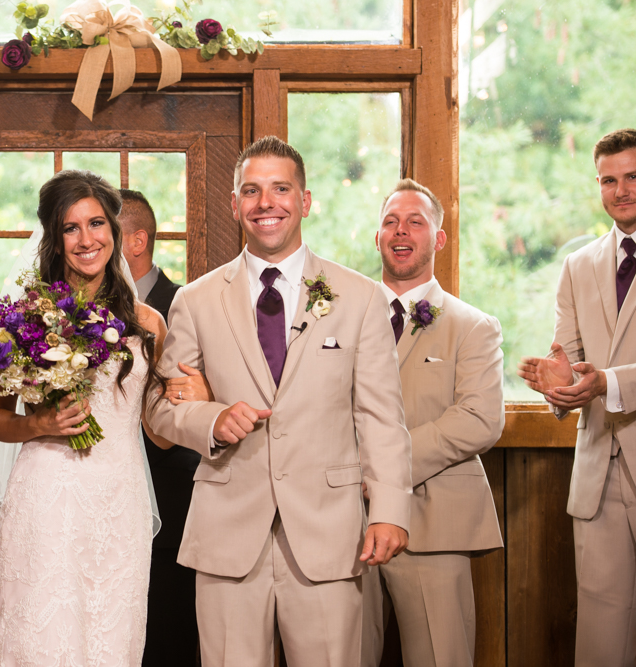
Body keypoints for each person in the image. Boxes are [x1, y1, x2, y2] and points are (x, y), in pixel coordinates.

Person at [146, 136, 412, 667]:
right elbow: (161, 406)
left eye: (280, 189)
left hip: (328, 533)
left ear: (305, 201)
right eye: (252, 190)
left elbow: (382, 416)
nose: (266, 202)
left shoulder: (358, 297)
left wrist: (390, 511)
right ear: (235, 203)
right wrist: (212, 418)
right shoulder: (195, 301)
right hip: (226, 531)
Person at [0, 170, 171, 665]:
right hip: (48, 495)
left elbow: (157, 427)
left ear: (116, 230)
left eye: (97, 223)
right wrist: (39, 425)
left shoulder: (149, 325)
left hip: (119, 498)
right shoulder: (21, 317)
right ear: (54, 238)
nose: (87, 239)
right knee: (43, 638)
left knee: (113, 639)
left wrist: (191, 394)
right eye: (71, 228)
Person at [360, 179, 505, 667]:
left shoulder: (473, 326)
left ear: (438, 238)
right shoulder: (337, 319)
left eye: (415, 222)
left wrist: (382, 468)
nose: (401, 232)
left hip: (437, 523)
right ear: (376, 236)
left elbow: (479, 420)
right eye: (390, 222)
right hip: (343, 520)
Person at [517, 128, 636, 667]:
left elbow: (604, 379)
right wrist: (557, 385)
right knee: (601, 630)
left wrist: (607, 383)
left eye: (632, 176)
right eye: (609, 180)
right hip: (598, 473)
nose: (621, 190)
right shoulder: (579, 265)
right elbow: (571, 363)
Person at [118, 188, 200, 666]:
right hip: (100, 499)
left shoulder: (186, 305)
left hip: (170, 507)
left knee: (167, 640)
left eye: (106, 230)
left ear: (136, 240)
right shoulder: (79, 310)